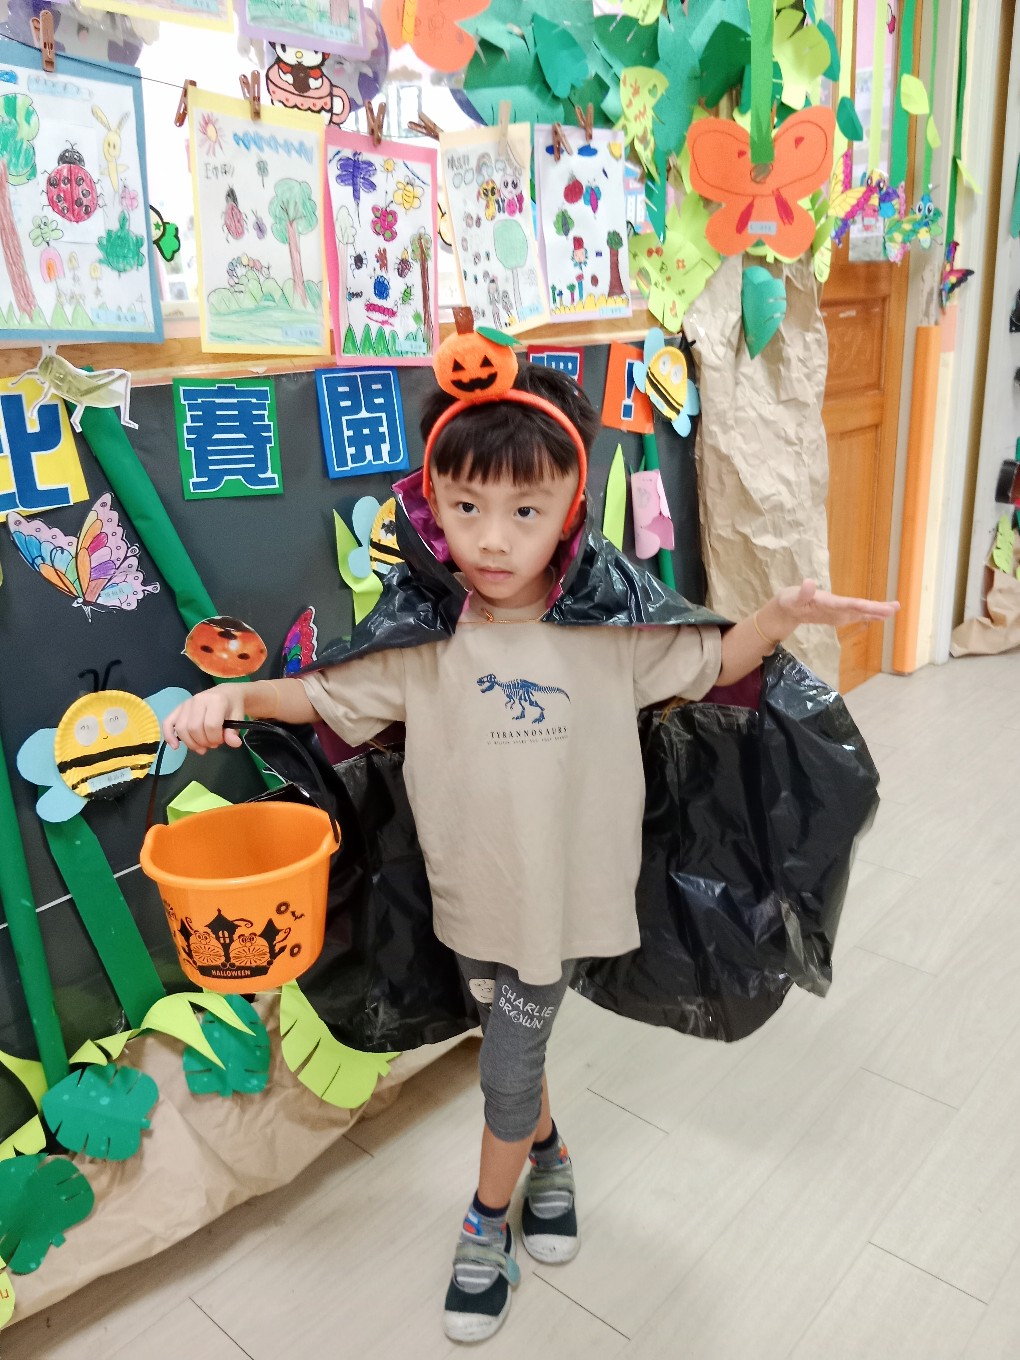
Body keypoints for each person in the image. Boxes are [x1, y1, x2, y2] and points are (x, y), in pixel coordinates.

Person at [163, 335, 897, 1345]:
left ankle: (485, 1221)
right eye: (467, 508)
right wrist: (238, 697)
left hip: (565, 899)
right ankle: (549, 1154)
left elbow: (716, 663)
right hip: (471, 899)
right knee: (509, 1044)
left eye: (525, 512)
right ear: (431, 503)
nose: (493, 540)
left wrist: (776, 614)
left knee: (507, 1063)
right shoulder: (422, 642)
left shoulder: (609, 633)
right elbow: (322, 695)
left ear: (571, 509)